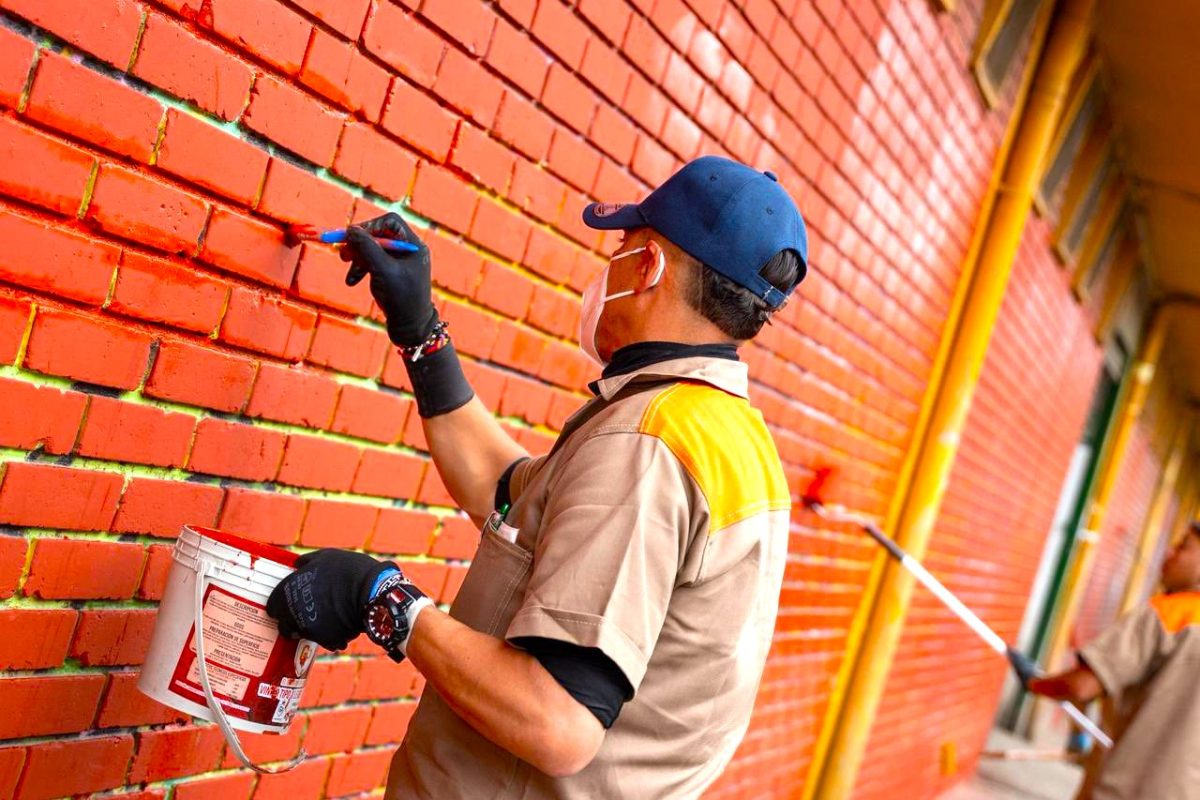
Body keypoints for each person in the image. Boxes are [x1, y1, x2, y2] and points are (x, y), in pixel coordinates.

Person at [267, 155, 808, 798]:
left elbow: (556, 721)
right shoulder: (725, 433)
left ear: (650, 267)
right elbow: (507, 495)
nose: (611, 268)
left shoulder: (648, 443)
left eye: (624, 248)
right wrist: (420, 332)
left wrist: (381, 599)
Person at [1025, 521, 1200, 800]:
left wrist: (1034, 683)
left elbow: (1082, 686)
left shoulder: (1172, 614)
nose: (1169, 552)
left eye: (1183, 547)